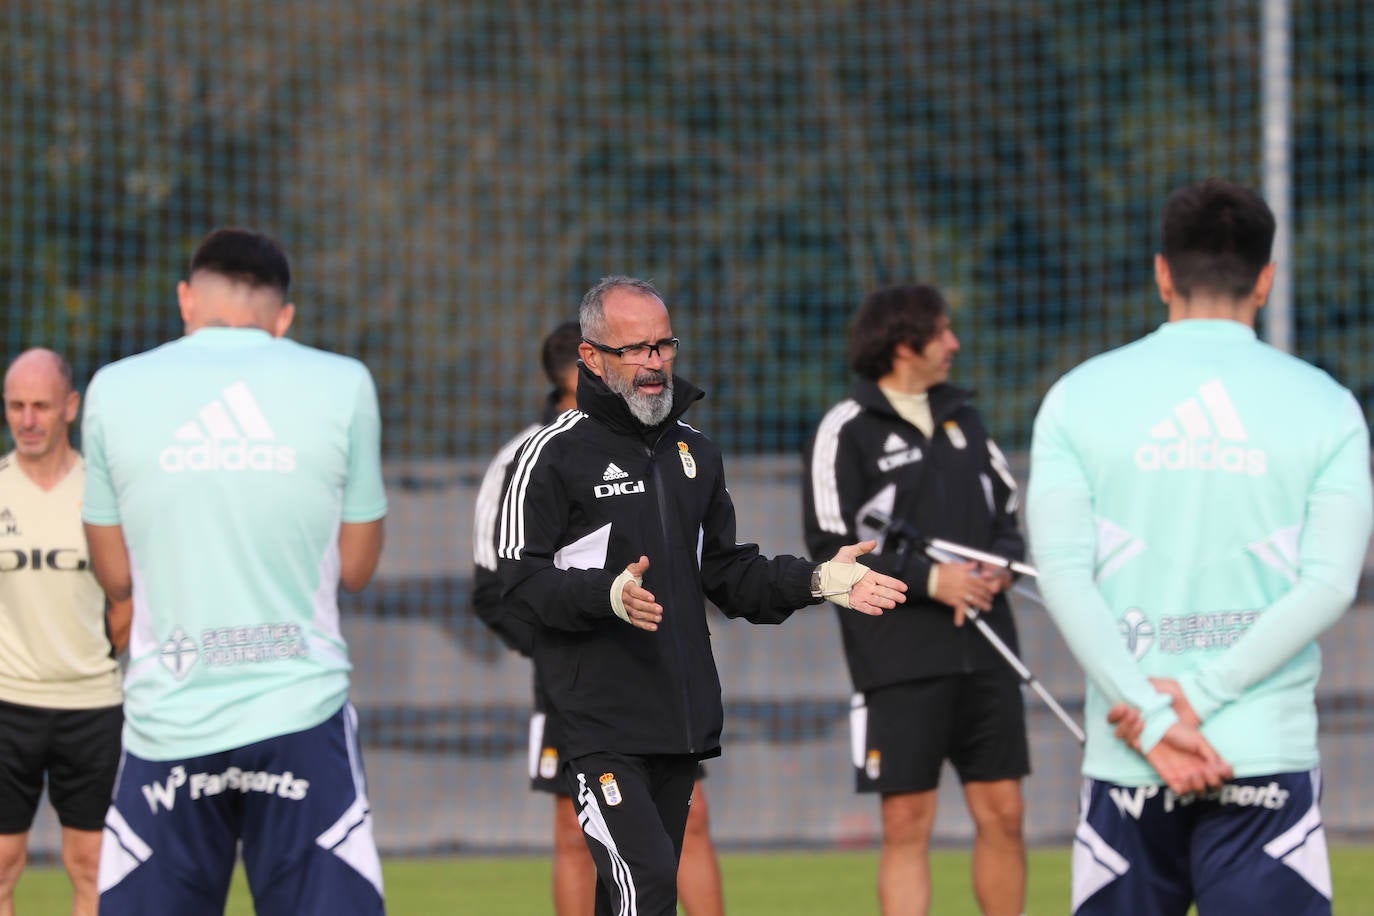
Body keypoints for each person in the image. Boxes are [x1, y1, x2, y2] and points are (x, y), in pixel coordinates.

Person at [496, 275, 909, 916]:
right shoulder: (550, 457)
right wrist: (606, 595)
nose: (654, 363)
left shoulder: (697, 454)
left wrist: (820, 580)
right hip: (596, 724)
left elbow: (728, 574)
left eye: (664, 346)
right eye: (635, 349)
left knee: (630, 897)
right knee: (648, 888)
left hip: (678, 719)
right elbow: (517, 585)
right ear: (591, 358)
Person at [1026, 178, 1371, 915]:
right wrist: (1207, 695)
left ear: (1161, 273)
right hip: (1262, 753)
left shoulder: (1078, 396)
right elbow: (1331, 583)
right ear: (1267, 278)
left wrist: (1153, 720)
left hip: (1130, 755)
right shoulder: (1327, 406)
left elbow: (1062, 573)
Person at [80, 228, 389, 916]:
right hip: (300, 715)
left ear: (187, 299)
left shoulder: (112, 389)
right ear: (284, 317)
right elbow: (359, 567)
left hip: (170, 718)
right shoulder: (344, 384)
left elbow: (115, 578)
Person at [472, 321, 725, 915]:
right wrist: (569, 651)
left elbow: (713, 563)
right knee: (573, 829)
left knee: (689, 826)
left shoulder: (675, 448)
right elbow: (497, 587)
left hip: (662, 682)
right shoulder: (526, 459)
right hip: (577, 690)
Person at [802, 284, 1030, 916]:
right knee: (907, 821)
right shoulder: (844, 429)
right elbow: (830, 542)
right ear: (905, 345)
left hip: (986, 651)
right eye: (943, 332)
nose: (954, 344)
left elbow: (1007, 514)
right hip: (897, 660)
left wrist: (996, 569)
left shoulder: (965, 416)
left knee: (1005, 813)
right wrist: (933, 581)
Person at [0, 348, 129, 916]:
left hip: (91, 706)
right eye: (16, 407)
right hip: (8, 703)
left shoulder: (102, 494)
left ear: (69, 408)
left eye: (41, 407)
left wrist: (95, 654)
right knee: (2, 862)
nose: (28, 420)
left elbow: (124, 598)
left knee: (92, 863)